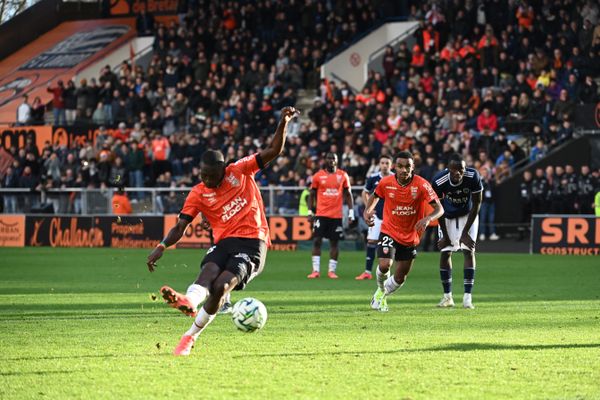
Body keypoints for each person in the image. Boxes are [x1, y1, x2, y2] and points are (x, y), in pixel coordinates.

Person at [146, 106, 299, 356]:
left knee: (221, 286)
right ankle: (189, 301)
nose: (207, 180)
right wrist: (162, 245)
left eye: (212, 175)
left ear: (223, 169)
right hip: (224, 241)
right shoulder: (198, 193)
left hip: (252, 242)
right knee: (208, 271)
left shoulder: (240, 170)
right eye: (203, 175)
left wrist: (283, 122)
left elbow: (274, 151)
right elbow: (181, 225)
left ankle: (190, 337)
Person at [364, 151, 443, 312]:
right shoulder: (386, 182)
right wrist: (368, 211)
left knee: (400, 278)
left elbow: (439, 209)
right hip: (389, 230)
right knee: (385, 264)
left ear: (413, 167)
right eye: (400, 166)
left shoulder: (421, 184)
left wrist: (428, 218)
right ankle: (381, 290)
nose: (404, 170)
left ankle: (381, 294)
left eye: (408, 166)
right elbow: (375, 195)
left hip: (410, 236)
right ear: (395, 167)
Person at [432, 153, 483, 309]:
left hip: (468, 215)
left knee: (469, 251)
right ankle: (448, 297)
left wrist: (465, 232)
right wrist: (445, 236)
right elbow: (438, 208)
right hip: (446, 216)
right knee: (445, 252)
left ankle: (467, 297)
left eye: (460, 169)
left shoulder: (473, 175)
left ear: (464, 168)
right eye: (454, 170)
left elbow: (477, 204)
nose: (458, 173)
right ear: (448, 169)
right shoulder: (439, 181)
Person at [307, 152, 354, 279]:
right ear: (325, 160)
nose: (331, 160)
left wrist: (351, 212)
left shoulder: (343, 175)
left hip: (336, 215)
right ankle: (315, 271)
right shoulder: (318, 176)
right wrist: (310, 212)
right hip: (321, 214)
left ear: (337, 160)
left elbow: (348, 194)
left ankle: (331, 271)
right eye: (329, 158)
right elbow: (311, 195)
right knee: (317, 240)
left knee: (334, 243)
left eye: (334, 158)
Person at [356, 155, 393, 280]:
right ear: (379, 164)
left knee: (392, 243)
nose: (384, 165)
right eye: (382, 163)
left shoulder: (395, 178)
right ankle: (367, 272)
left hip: (391, 217)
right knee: (372, 241)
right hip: (377, 216)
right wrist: (369, 208)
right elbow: (364, 192)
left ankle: (389, 271)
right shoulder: (373, 178)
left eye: (387, 163)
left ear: (391, 164)